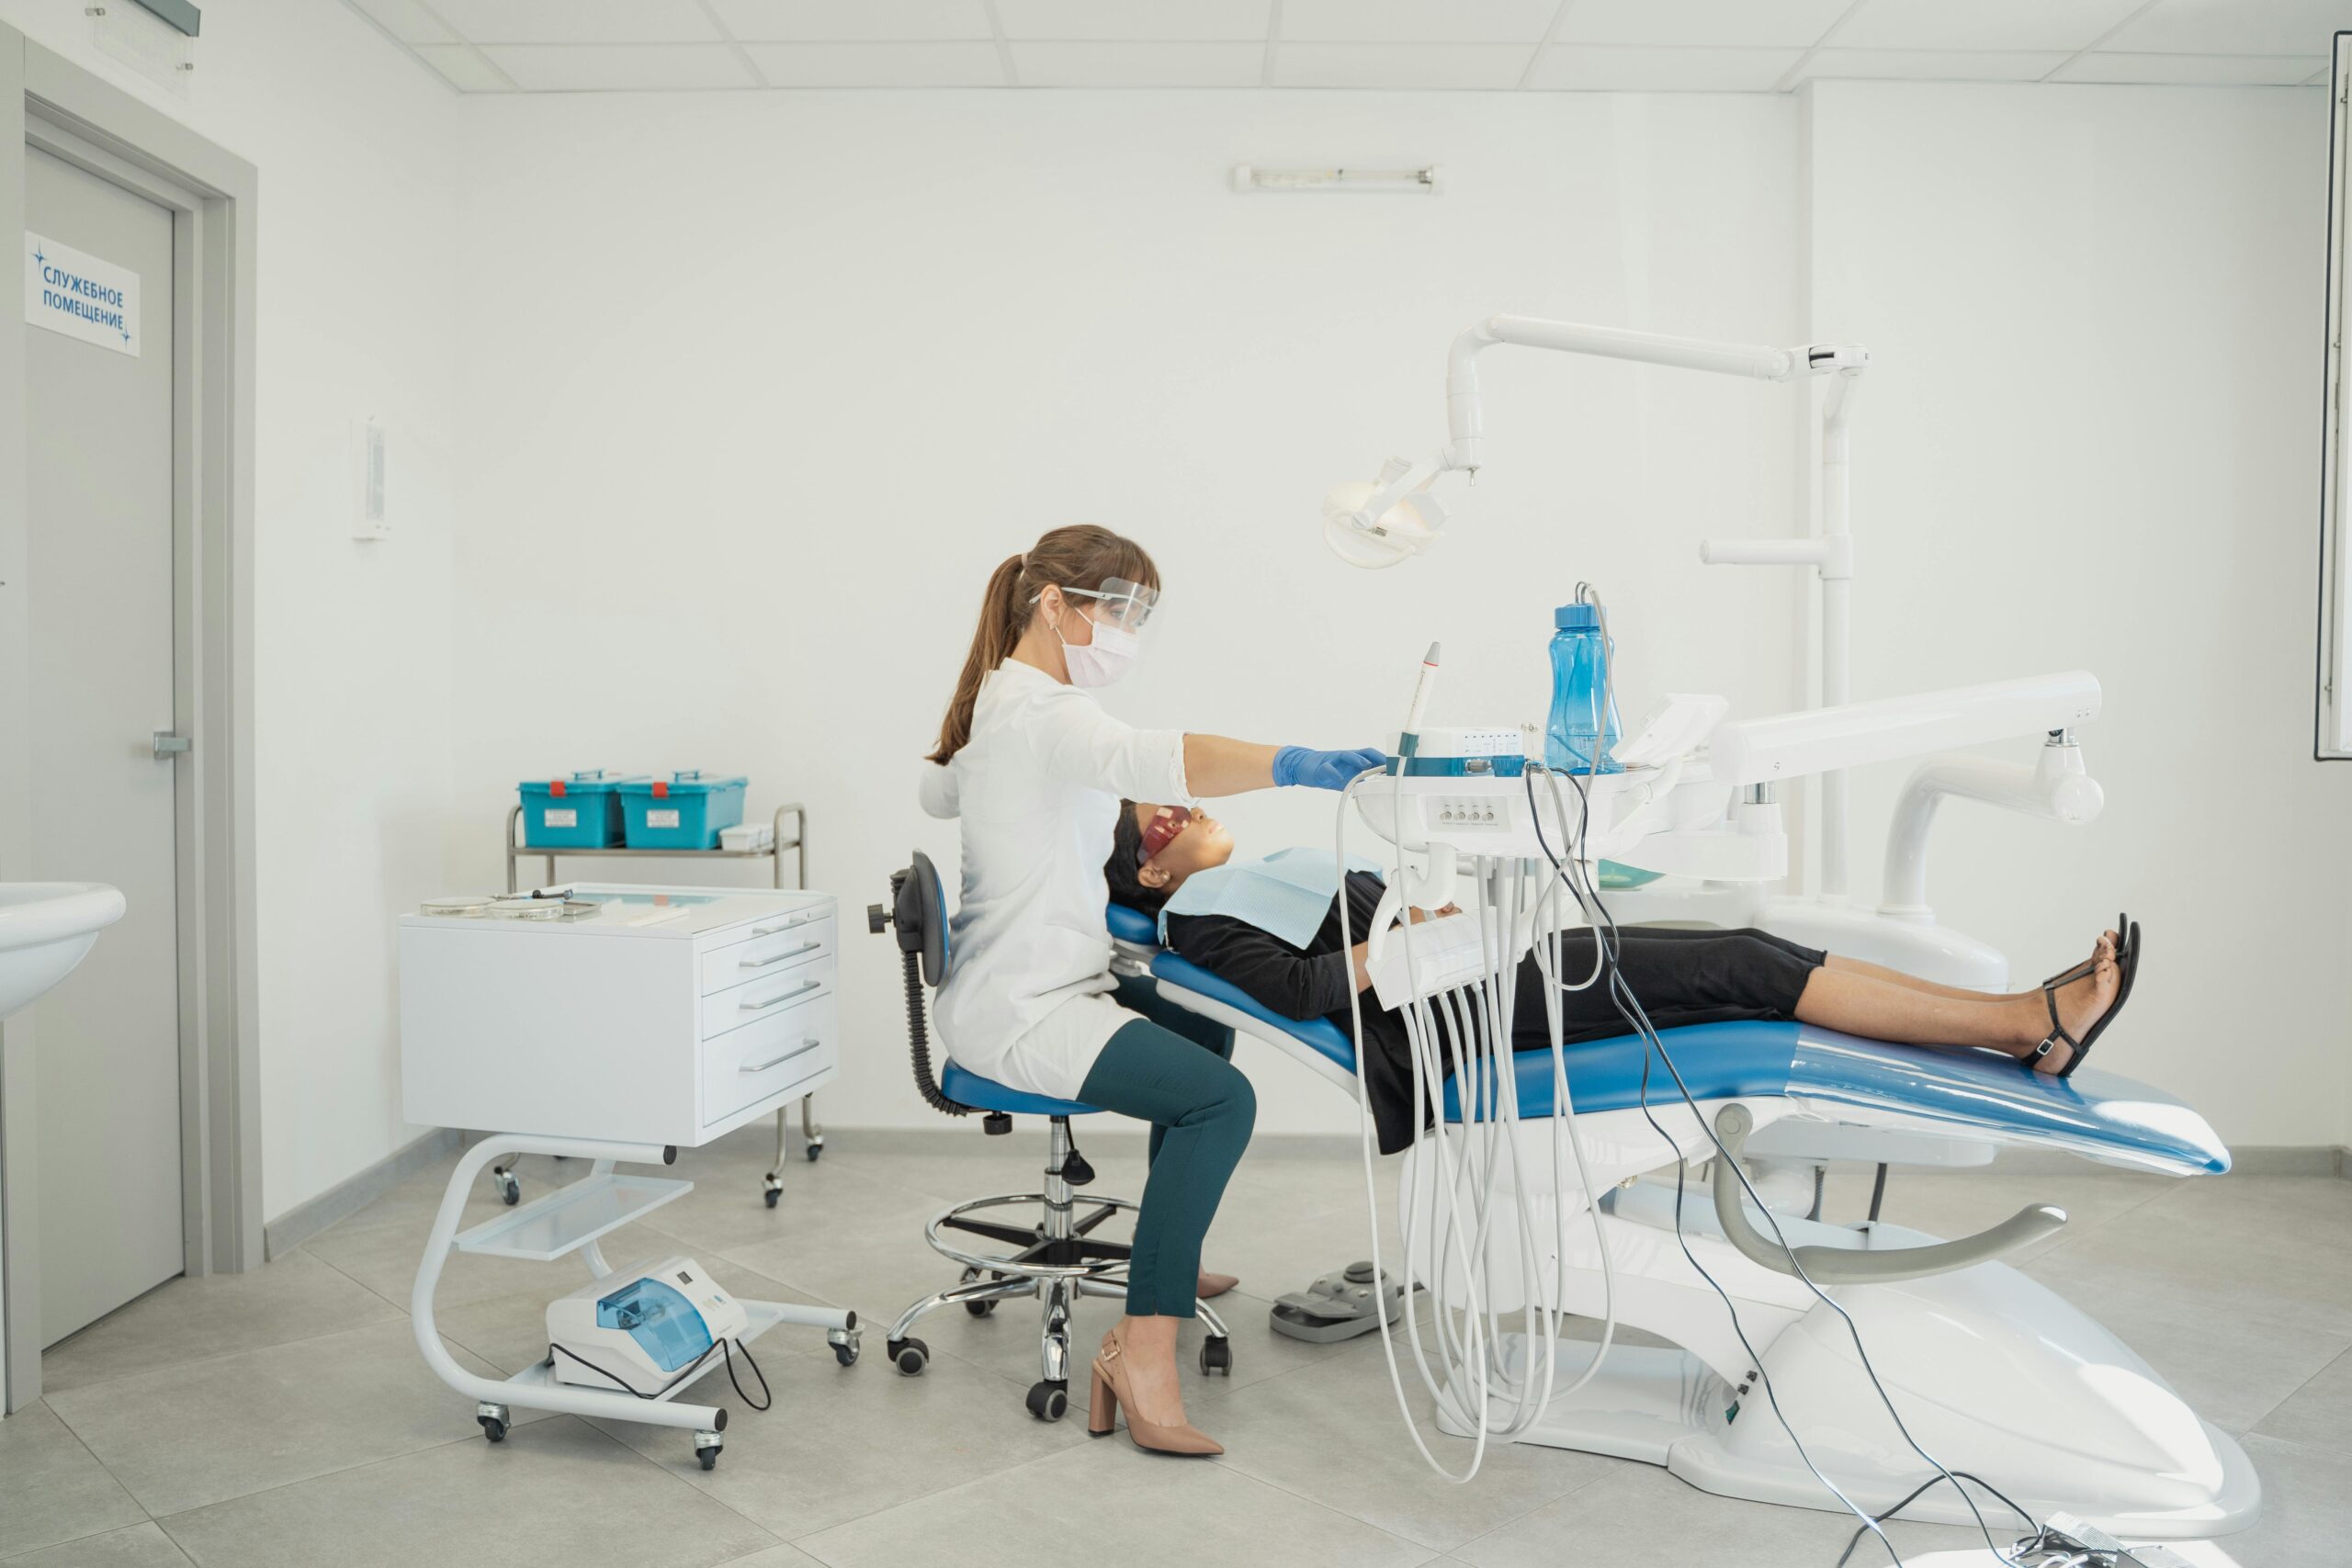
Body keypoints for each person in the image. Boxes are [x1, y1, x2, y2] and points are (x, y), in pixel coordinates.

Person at [921, 525, 1383, 1458]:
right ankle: (1144, 1352)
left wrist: (1127, 826)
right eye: (1119, 608)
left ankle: (1160, 1260)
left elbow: (948, 795)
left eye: (1141, 613)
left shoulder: (1006, 711)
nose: (1129, 629)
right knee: (1221, 1101)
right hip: (1020, 1010)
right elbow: (1158, 754)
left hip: (1056, 979)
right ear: (1053, 603)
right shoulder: (1035, 713)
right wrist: (1295, 763)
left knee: (1204, 1040)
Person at [1102, 801, 2135, 1156]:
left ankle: (2022, 1028)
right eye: (1150, 831)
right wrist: (1421, 943)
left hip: (1479, 969)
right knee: (1746, 963)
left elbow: (1355, 934)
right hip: (1459, 1014)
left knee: (1745, 958)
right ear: (1151, 877)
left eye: (1165, 800)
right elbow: (1296, 991)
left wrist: (1430, 920)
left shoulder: (1250, 878)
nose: (1174, 812)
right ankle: (2022, 1022)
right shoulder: (1194, 916)